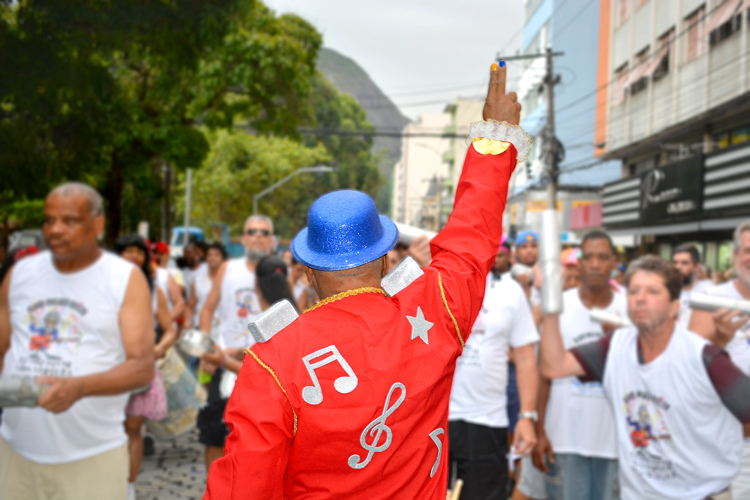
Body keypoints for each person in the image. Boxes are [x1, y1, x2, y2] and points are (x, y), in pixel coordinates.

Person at [204, 61, 528, 499]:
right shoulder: (437, 311)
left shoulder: (273, 359)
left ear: (307, 269)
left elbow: (243, 487)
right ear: (384, 257)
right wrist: (494, 140)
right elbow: (472, 238)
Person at [541, 254, 750, 500]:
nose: (641, 298)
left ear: (675, 306)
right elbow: (554, 367)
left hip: (700, 494)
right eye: (634, 291)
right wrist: (551, 308)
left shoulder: (704, 357)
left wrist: (714, 439)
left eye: (653, 291)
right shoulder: (614, 348)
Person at [0, 182, 154, 500]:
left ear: (97, 224)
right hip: (15, 451)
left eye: (69, 220)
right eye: (48, 220)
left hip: (92, 458)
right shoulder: (19, 274)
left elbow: (142, 368)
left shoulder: (124, 278)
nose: (55, 229)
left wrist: (79, 387)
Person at [532, 231, 624, 500]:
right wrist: (539, 430)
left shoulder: (630, 307)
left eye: (603, 257)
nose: (595, 264)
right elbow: (544, 372)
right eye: (589, 257)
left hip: (615, 444)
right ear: (580, 263)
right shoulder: (559, 306)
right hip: (564, 439)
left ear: (614, 262)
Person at [448, 244, 539, 499]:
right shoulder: (436, 280)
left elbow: (525, 357)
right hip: (435, 420)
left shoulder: (511, 291)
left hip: (488, 421)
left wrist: (527, 417)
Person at [196, 215, 275, 472]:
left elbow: (285, 324)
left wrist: (240, 351)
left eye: (264, 232)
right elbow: (207, 310)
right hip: (221, 363)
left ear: (272, 241)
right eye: (252, 231)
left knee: (257, 440)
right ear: (243, 238)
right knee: (214, 435)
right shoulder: (228, 269)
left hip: (264, 368)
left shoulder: (277, 272)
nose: (258, 236)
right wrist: (204, 349)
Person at [113, 234, 176, 500]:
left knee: (133, 428)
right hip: (107, 368)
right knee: (108, 427)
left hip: (141, 369)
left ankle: (128, 486)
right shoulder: (103, 285)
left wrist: (160, 347)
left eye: (138, 251)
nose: (133, 256)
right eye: (127, 251)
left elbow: (170, 330)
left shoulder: (154, 289)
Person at [690, 219, 750, 498]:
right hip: (732, 442)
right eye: (748, 250)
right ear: (736, 255)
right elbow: (689, 367)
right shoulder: (711, 300)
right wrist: (720, 340)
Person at [185, 242, 227, 329]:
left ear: (223, 259)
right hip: (201, 327)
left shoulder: (229, 281)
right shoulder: (197, 281)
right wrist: (187, 321)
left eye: (216, 255)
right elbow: (191, 305)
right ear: (205, 258)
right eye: (209, 255)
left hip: (224, 328)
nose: (212, 258)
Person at [671, 243, 709, 329]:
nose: (678, 267)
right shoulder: (666, 291)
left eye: (684, 263)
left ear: (697, 266)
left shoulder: (708, 292)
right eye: (675, 263)